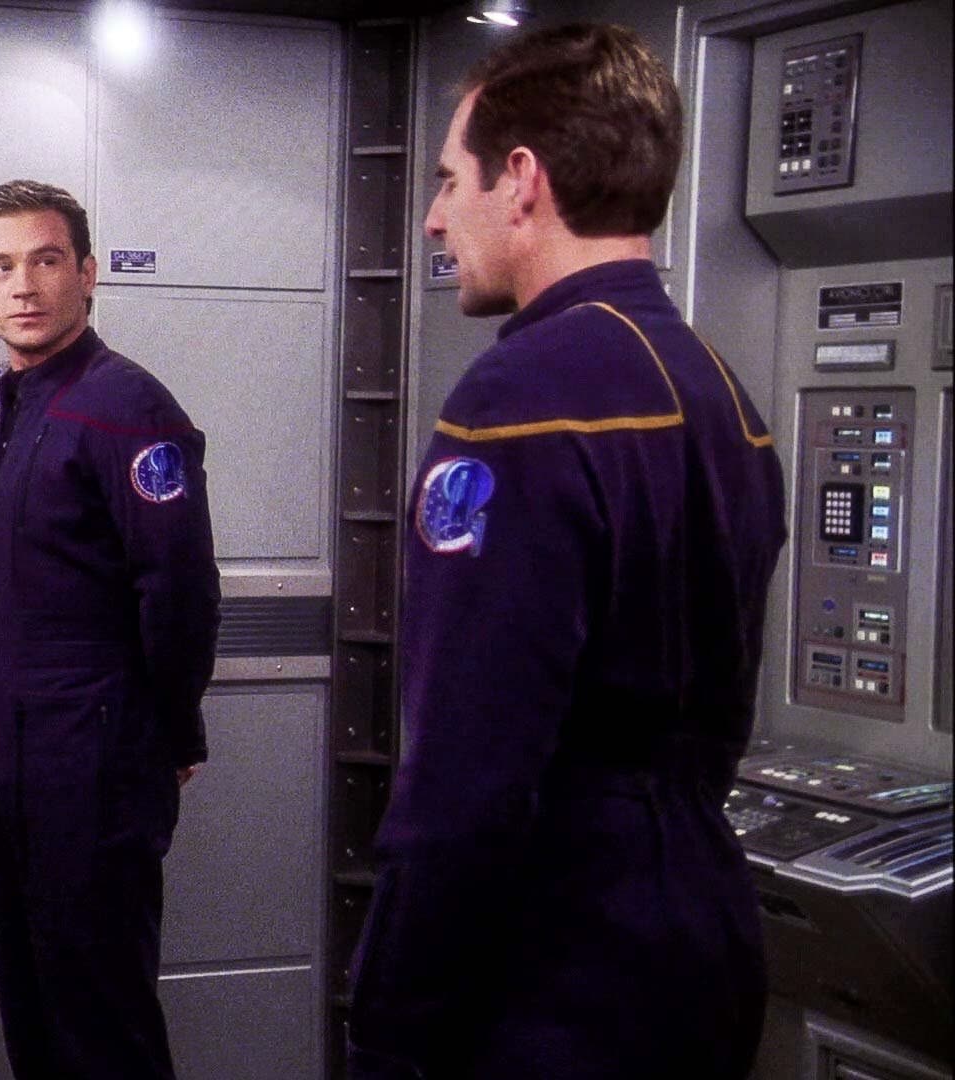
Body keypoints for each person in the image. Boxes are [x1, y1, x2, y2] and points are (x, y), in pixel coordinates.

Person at [346, 24, 788, 1079]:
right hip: (701, 942)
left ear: (523, 180)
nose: (434, 215)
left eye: (450, 179)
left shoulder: (518, 403)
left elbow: (467, 778)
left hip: (553, 966)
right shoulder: (722, 392)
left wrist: (391, 1020)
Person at [0, 179, 220, 1079]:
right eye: (0, 266)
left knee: (101, 1022)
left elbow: (179, 588)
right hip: (10, 750)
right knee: (31, 1005)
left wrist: (169, 733)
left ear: (88, 273)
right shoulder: (8, 411)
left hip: (96, 755)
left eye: (45, 260)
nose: (23, 285)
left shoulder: (127, 406)